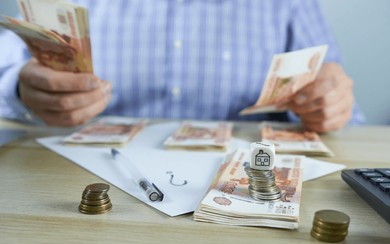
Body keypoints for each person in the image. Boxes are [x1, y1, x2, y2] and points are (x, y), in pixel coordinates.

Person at [0, 0, 365, 133]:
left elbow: (341, 105)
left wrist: (330, 105)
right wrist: (20, 88)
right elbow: (7, 74)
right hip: (87, 190)